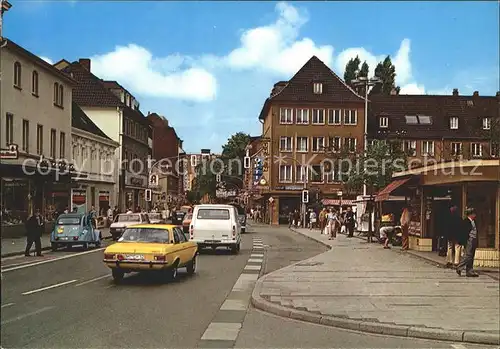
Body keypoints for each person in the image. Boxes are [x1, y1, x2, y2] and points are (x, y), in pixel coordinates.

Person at [456, 207, 479, 277]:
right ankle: (459, 267)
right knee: (468, 255)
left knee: (471, 256)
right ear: (470, 214)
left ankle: (469, 271)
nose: (475, 215)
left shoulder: (474, 221)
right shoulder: (465, 221)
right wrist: (462, 242)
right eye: (474, 213)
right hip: (469, 240)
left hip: (474, 239)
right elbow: (463, 232)